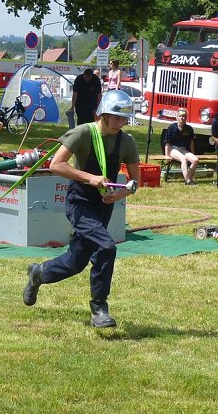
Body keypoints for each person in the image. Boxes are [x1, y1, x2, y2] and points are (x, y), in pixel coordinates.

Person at [22, 90, 140, 329]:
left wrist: (119, 194)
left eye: (124, 118)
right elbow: (56, 165)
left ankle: (38, 273)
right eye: (116, 117)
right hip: (80, 202)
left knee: (75, 262)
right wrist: (90, 178)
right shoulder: (83, 133)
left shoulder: (126, 141)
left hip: (103, 205)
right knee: (106, 247)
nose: (120, 123)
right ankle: (99, 307)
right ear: (103, 114)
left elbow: (135, 182)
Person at [164, 108, 199, 185]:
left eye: (184, 116)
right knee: (183, 159)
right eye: (180, 116)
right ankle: (188, 181)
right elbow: (167, 142)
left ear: (186, 118)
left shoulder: (189, 128)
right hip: (172, 148)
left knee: (195, 160)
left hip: (183, 149)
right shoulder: (171, 127)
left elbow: (191, 142)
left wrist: (192, 153)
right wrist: (167, 155)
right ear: (176, 117)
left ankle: (187, 178)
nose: (182, 118)